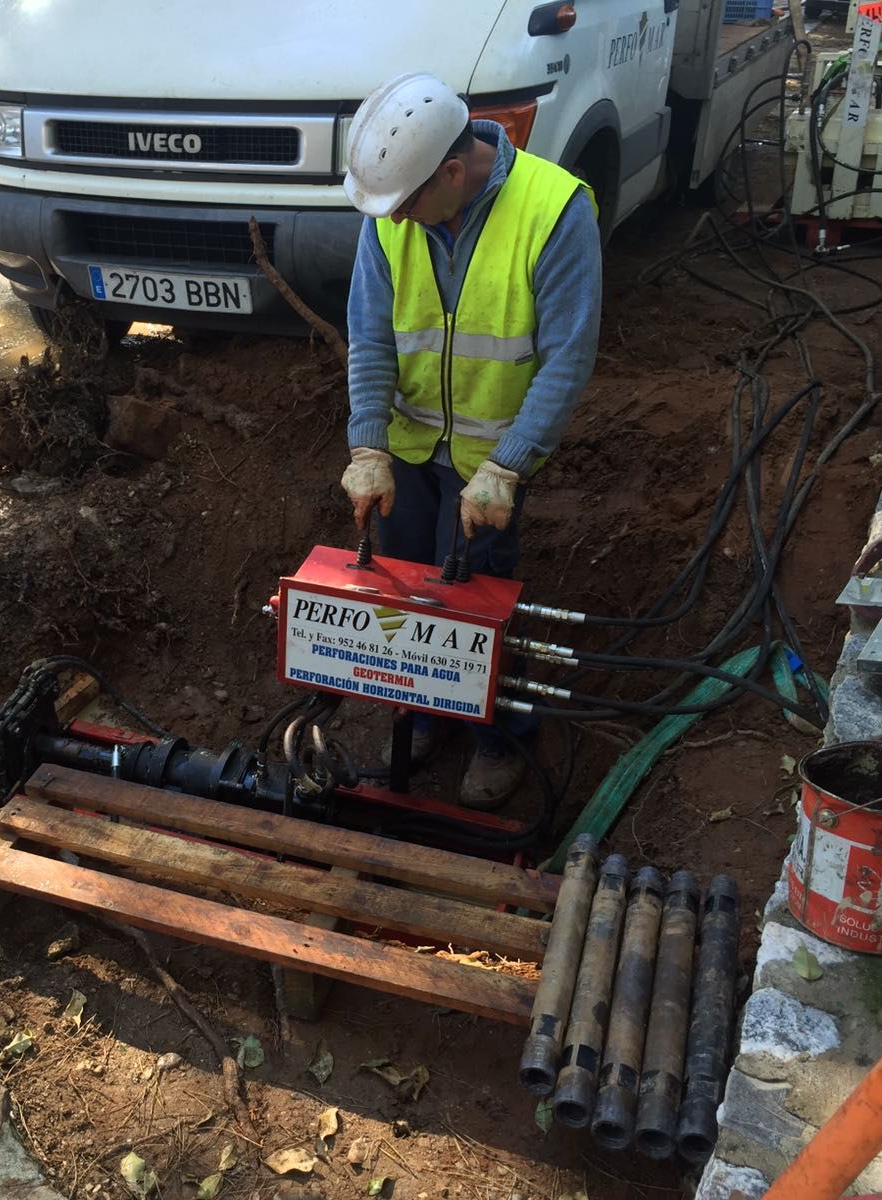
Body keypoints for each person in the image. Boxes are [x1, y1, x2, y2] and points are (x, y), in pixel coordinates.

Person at [339, 72, 602, 810]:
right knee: (400, 582)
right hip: (408, 447)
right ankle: (423, 711)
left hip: (492, 458)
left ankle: (498, 736)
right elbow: (370, 336)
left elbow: (568, 357)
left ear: (453, 172)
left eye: (408, 207)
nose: (395, 222)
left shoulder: (554, 211)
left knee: (478, 596)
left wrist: (508, 467)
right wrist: (368, 446)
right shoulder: (395, 213)